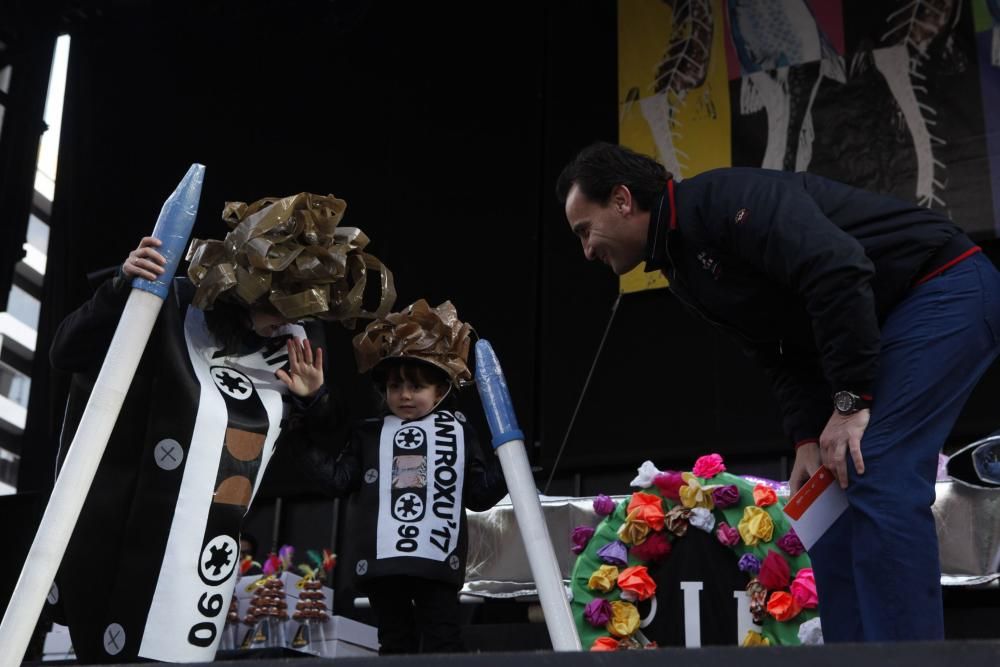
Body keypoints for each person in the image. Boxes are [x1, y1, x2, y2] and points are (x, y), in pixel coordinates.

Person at [555, 141, 1000, 642]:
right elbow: (780, 350)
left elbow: (838, 269)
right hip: (886, 318)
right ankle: (852, 655)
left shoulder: (722, 200)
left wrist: (851, 400)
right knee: (829, 496)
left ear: (621, 200)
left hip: (945, 284)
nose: (586, 250)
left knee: (875, 465)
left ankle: (906, 659)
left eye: (584, 230)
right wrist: (806, 438)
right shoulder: (681, 269)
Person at [48, 192, 395, 662]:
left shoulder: (292, 345)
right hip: (118, 529)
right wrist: (119, 289)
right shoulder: (170, 305)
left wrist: (316, 401)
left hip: (200, 559)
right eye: (277, 310)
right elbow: (67, 353)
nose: (285, 325)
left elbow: (318, 460)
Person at [297, 299, 507, 654]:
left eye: (417, 387)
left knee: (443, 640)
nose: (405, 395)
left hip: (436, 561)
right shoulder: (368, 434)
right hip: (385, 564)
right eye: (395, 386)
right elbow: (337, 480)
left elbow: (478, 495)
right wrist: (298, 439)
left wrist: (511, 462)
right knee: (395, 642)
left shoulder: (458, 433)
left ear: (441, 391)